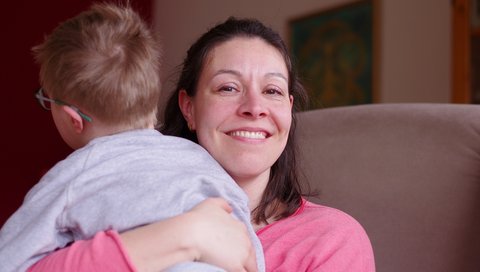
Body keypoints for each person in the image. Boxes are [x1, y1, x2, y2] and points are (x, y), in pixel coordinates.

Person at [28, 16, 375, 271]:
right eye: (228, 87)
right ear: (189, 108)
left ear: (288, 109)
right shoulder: (108, 202)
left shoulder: (331, 239)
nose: (254, 108)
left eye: (271, 91)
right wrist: (183, 234)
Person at [0, 5, 264, 272]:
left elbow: (8, 260)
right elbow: (247, 249)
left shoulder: (72, 174)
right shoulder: (201, 160)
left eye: (47, 101)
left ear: (73, 119)